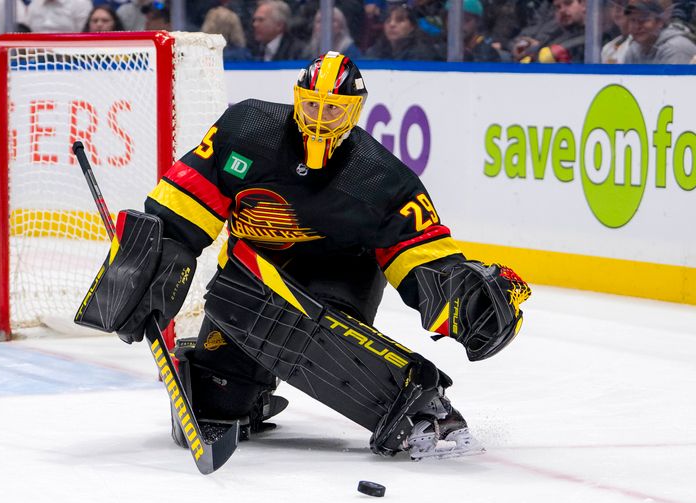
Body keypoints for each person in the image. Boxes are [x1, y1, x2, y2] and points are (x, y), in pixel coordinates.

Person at [75, 52, 531, 461]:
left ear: (353, 112)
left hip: (337, 280)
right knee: (216, 396)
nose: (319, 117)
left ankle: (418, 399)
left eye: (333, 108)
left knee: (301, 325)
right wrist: (143, 266)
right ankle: (247, 388)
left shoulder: (379, 177)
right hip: (249, 277)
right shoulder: (244, 130)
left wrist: (462, 300)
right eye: (312, 104)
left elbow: (421, 254)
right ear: (297, 98)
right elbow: (180, 208)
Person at [512, 0, 588, 63]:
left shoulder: (594, 39)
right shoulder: (554, 35)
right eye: (558, 7)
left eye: (568, 3)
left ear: (584, 5)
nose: (562, 10)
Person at [623, 0, 696, 63]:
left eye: (643, 19)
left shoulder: (677, 48)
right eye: (632, 20)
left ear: (659, 22)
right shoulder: (634, 50)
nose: (637, 26)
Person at [366, 3, 444, 60]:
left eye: (400, 20)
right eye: (388, 21)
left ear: (412, 26)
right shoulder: (376, 50)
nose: (392, 24)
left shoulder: (422, 53)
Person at [25, 0, 93, 33]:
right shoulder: (34, 5)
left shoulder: (81, 3)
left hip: (71, 53)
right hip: (39, 52)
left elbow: (82, 32)